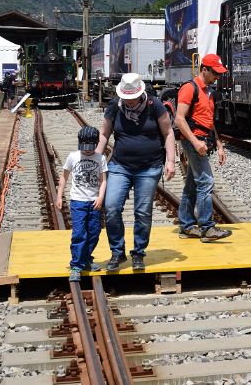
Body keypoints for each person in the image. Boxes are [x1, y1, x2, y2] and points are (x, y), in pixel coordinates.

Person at [97, 73, 176, 272]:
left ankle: (139, 252)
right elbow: (104, 134)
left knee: (142, 212)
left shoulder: (154, 105)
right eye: (126, 97)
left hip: (149, 167)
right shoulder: (115, 106)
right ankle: (117, 252)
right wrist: (95, 159)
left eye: (132, 97)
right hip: (120, 166)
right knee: (111, 207)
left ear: (140, 93)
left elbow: (168, 133)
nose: (129, 101)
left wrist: (171, 161)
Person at [174, 53, 233, 242]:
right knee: (206, 182)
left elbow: (208, 121)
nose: (218, 77)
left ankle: (186, 225)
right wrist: (195, 142)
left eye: (219, 73)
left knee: (193, 184)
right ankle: (207, 228)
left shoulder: (208, 91)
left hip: (202, 139)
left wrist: (219, 144)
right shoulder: (189, 88)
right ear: (204, 69)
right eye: (215, 73)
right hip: (194, 140)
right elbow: (179, 119)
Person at [56, 125, 108, 281]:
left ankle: (86, 259)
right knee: (79, 234)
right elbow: (64, 177)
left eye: (90, 148)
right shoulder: (73, 156)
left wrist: (100, 197)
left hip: (94, 202)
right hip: (78, 202)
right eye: (84, 148)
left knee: (94, 232)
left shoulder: (100, 158)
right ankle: (76, 265)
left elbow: (103, 181)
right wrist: (59, 196)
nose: (87, 151)